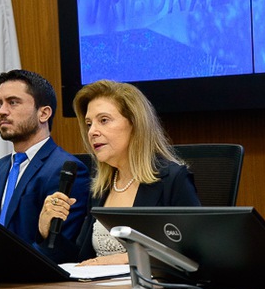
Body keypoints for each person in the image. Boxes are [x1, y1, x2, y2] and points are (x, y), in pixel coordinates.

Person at [38, 80, 200, 265]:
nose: (92, 132)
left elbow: (192, 254)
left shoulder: (173, 180)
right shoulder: (100, 188)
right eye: (89, 124)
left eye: (104, 120)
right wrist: (47, 231)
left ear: (135, 123)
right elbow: (81, 260)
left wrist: (123, 260)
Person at [0, 69, 91, 263]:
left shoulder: (65, 170)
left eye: (13, 102)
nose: (1, 111)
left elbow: (59, 248)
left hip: (32, 282)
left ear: (44, 113)